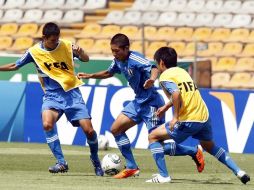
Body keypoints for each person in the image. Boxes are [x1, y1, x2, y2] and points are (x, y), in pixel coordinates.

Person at [78, 33, 204, 179]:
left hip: (151, 103)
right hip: (138, 102)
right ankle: (132, 167)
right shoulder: (118, 60)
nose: (114, 53)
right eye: (112, 50)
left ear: (126, 48)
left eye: (117, 51)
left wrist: (151, 79)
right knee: (116, 129)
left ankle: (193, 151)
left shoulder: (135, 58)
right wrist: (89, 76)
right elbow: (108, 72)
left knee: (157, 143)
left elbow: (153, 68)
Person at [0, 22, 104, 176]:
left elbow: (86, 59)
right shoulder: (34, 52)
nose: (56, 42)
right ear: (44, 38)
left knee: (89, 130)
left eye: (57, 39)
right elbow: (15, 66)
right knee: (47, 124)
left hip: (72, 94)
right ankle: (61, 162)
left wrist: (81, 52)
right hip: (52, 95)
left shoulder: (67, 46)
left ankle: (95, 159)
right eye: (52, 40)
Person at [145, 46, 250, 184]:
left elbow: (176, 94)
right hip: (203, 116)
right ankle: (239, 171)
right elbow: (182, 93)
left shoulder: (165, 76)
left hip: (187, 119)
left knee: (153, 137)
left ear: (162, 63)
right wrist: (165, 107)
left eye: (157, 63)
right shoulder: (182, 72)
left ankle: (164, 175)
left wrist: (175, 117)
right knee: (209, 146)